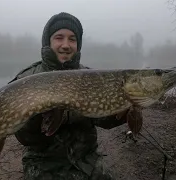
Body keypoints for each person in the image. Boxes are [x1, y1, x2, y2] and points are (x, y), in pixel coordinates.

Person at [8, 12, 142, 180]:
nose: (66, 45)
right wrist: (37, 116)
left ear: (78, 45)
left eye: (72, 39)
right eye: (59, 37)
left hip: (88, 162)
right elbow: (25, 138)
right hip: (43, 164)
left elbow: (103, 120)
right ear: (48, 42)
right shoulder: (26, 79)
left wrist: (127, 106)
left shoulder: (90, 77)